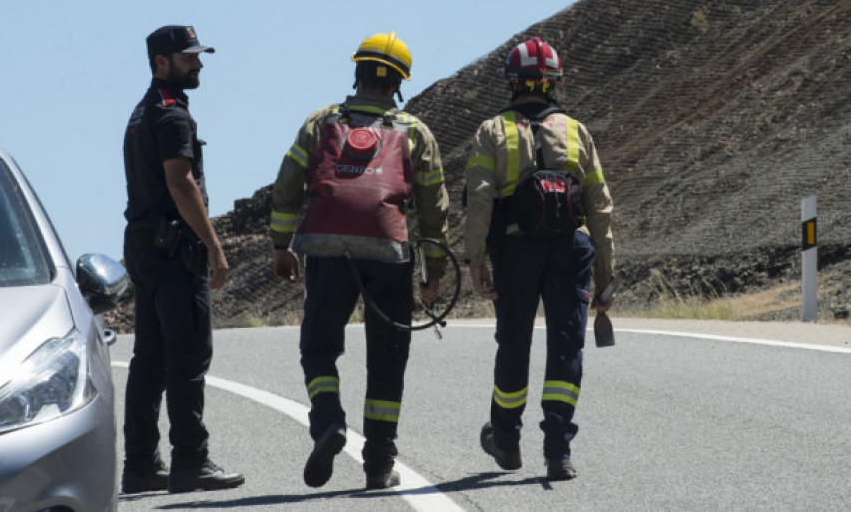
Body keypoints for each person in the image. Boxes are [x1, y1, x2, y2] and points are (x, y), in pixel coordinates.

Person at [270, 32, 450, 490]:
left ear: (358, 72)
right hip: (388, 251)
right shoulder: (415, 131)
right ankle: (378, 465)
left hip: (327, 249)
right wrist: (433, 270)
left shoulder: (321, 121)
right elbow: (433, 207)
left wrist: (281, 244)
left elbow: (289, 182)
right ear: (398, 83)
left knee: (318, 347)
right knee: (387, 358)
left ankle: (329, 421)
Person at [463, 37, 615, 481]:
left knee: (514, 343)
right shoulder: (576, 131)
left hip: (516, 250)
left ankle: (506, 440)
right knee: (566, 345)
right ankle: (558, 451)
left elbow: (479, 201)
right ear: (554, 84)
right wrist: (606, 274)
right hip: (571, 248)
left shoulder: (492, 131)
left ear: (512, 84)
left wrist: (477, 260)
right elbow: (600, 205)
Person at [120, 25, 244, 494]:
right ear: (160, 62)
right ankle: (191, 461)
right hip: (174, 252)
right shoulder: (172, 116)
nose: (198, 64)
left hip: (145, 246)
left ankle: (140, 466)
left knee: (149, 359)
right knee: (188, 356)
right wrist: (213, 246)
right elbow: (181, 184)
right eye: (188, 57)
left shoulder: (143, 111)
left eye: (198, 55)